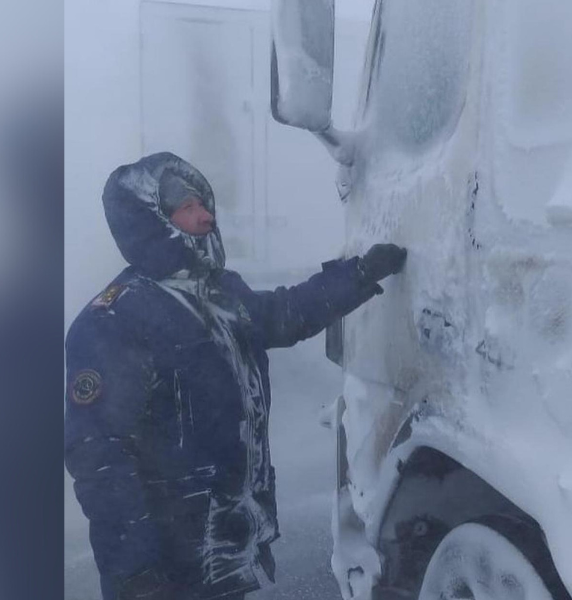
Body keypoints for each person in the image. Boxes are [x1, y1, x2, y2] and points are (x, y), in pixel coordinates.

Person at [64, 152, 407, 600]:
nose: (206, 216)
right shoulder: (117, 318)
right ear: (151, 219)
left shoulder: (220, 294)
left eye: (204, 204)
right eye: (188, 207)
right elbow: (99, 455)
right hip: (166, 564)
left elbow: (286, 313)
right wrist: (136, 572)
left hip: (222, 546)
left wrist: (359, 274)